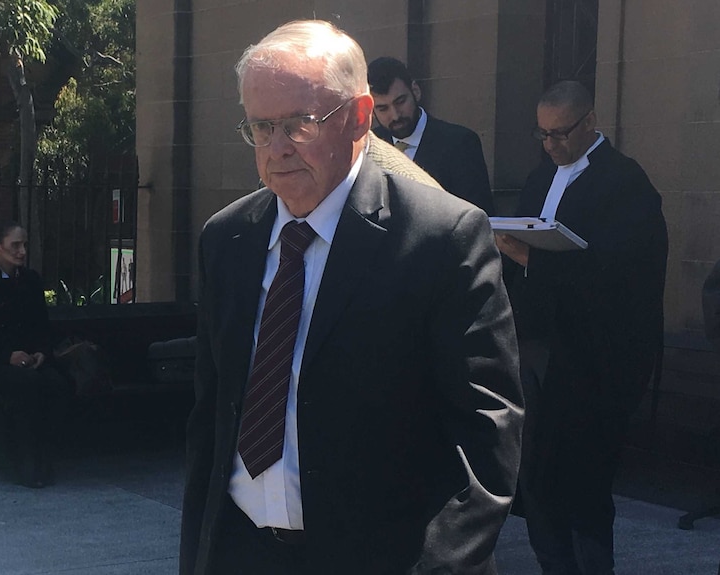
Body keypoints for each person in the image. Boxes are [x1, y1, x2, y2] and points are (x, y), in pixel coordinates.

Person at [181, 20, 523, 575]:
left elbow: (488, 431)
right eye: (261, 127)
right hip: (241, 551)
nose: (277, 147)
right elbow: (212, 414)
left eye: (299, 124)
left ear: (359, 118)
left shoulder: (440, 237)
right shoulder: (227, 238)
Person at [497, 80, 668, 575]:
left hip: (593, 359)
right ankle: (553, 564)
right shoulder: (538, 177)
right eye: (543, 135)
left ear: (590, 123)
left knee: (583, 477)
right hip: (535, 346)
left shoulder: (625, 183)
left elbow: (626, 271)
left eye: (561, 133)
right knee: (534, 473)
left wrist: (535, 258)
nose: (551, 145)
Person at [0, 221, 71, 488]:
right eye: (15, 245)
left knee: (56, 384)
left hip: (28, 362)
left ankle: (40, 456)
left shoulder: (30, 281)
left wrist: (41, 353)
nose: (21, 252)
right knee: (27, 387)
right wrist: (6, 356)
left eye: (24, 245)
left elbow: (42, 327)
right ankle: (22, 459)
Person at [367, 56, 495, 214]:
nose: (395, 115)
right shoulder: (367, 147)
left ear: (415, 91)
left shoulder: (460, 143)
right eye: (383, 108)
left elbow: (479, 217)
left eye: (400, 102)